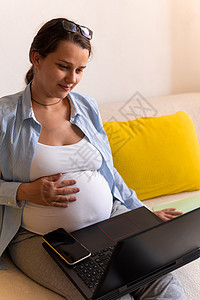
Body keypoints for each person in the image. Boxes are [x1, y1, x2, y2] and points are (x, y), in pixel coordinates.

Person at [0, 18, 185, 299]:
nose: (72, 79)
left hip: (111, 220)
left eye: (80, 70)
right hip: (44, 239)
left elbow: (108, 171)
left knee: (162, 282)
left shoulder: (86, 106)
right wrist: (25, 191)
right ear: (36, 58)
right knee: (111, 293)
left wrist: (142, 216)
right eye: (63, 66)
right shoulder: (5, 116)